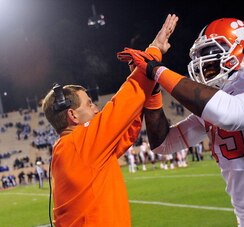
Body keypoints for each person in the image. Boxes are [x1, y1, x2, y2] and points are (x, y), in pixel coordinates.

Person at [118, 17, 244, 226]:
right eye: (200, 55)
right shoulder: (220, 100)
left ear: (242, 50)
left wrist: (156, 70)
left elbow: (233, 115)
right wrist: (153, 90)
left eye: (211, 53)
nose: (204, 62)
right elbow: (164, 144)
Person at [42, 14, 178, 227]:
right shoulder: (79, 146)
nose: (96, 109)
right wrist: (154, 51)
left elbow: (127, 133)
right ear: (72, 115)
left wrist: (149, 87)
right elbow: (124, 102)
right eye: (89, 104)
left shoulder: (71, 149)